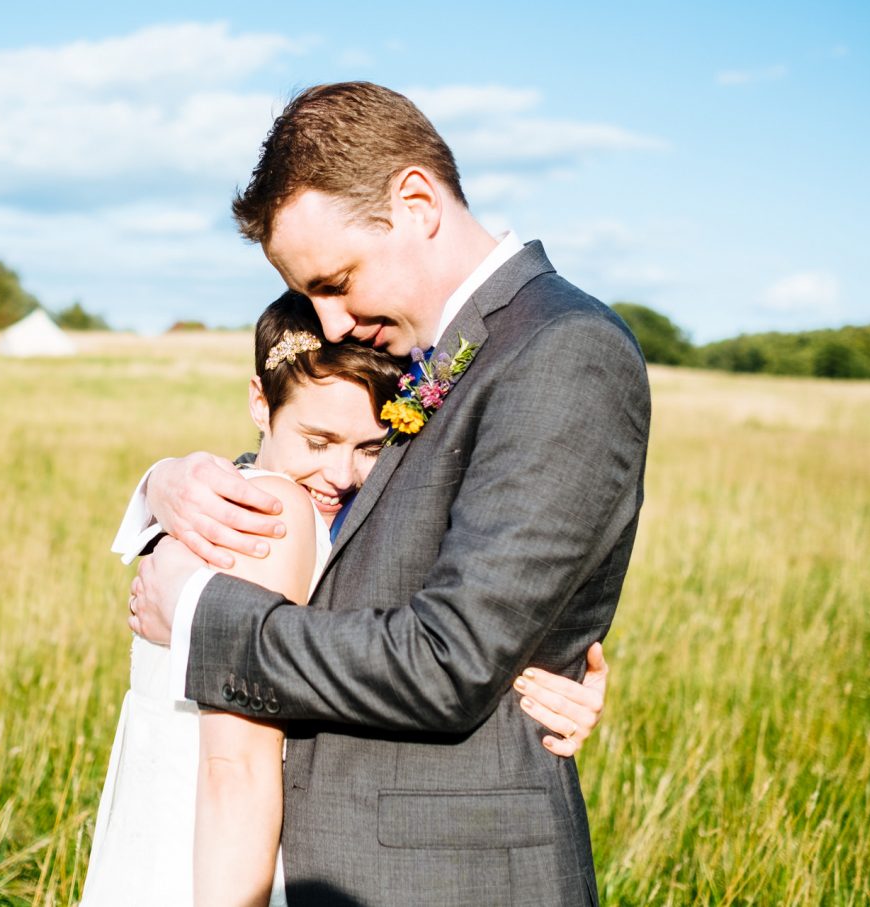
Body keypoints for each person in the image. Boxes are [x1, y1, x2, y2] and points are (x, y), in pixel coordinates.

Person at [129, 82, 650, 905]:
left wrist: (203, 619)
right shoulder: (434, 352)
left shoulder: (563, 350)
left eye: (337, 281)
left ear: (415, 202)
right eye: (312, 297)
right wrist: (162, 483)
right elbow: (334, 517)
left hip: (453, 875)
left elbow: (449, 661)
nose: (331, 324)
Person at [87, 293, 612, 907]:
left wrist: (534, 685)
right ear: (261, 401)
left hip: (162, 830)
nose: (341, 474)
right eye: (318, 440)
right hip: (217, 856)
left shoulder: (252, 504)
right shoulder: (271, 515)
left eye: (370, 448)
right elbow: (236, 768)